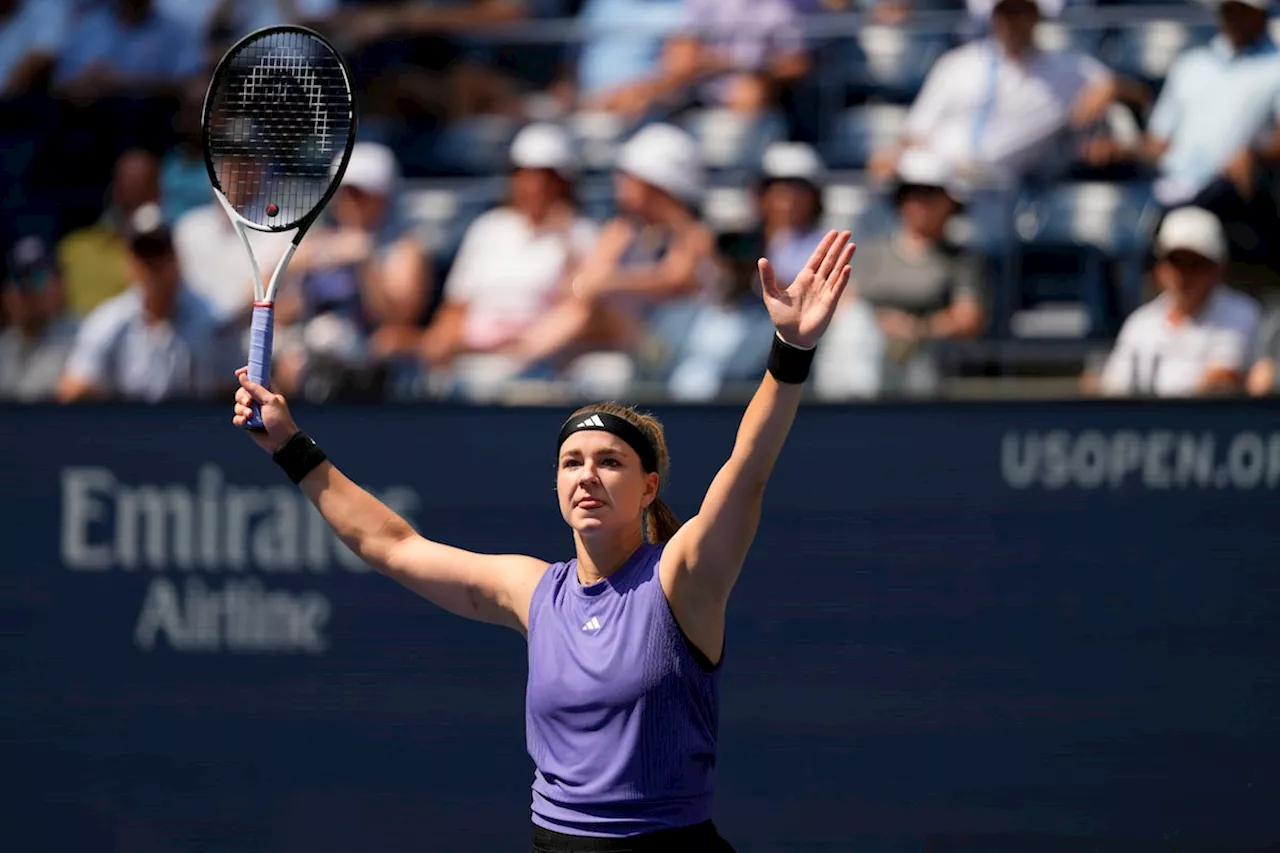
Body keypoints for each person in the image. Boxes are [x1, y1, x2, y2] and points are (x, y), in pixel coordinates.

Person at [230, 229, 856, 852]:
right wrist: (290, 445)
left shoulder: (683, 578)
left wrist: (789, 350)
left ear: (647, 488)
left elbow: (747, 471)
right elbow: (389, 544)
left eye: (610, 462)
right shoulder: (531, 590)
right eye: (572, 462)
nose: (587, 474)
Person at [1086, 206, 1260, 398]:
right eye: (1176, 262)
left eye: (1195, 264)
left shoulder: (1240, 313)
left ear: (1218, 269)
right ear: (1160, 268)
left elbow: (1220, 382)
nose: (1183, 275)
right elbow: (1113, 390)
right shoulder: (1140, 322)